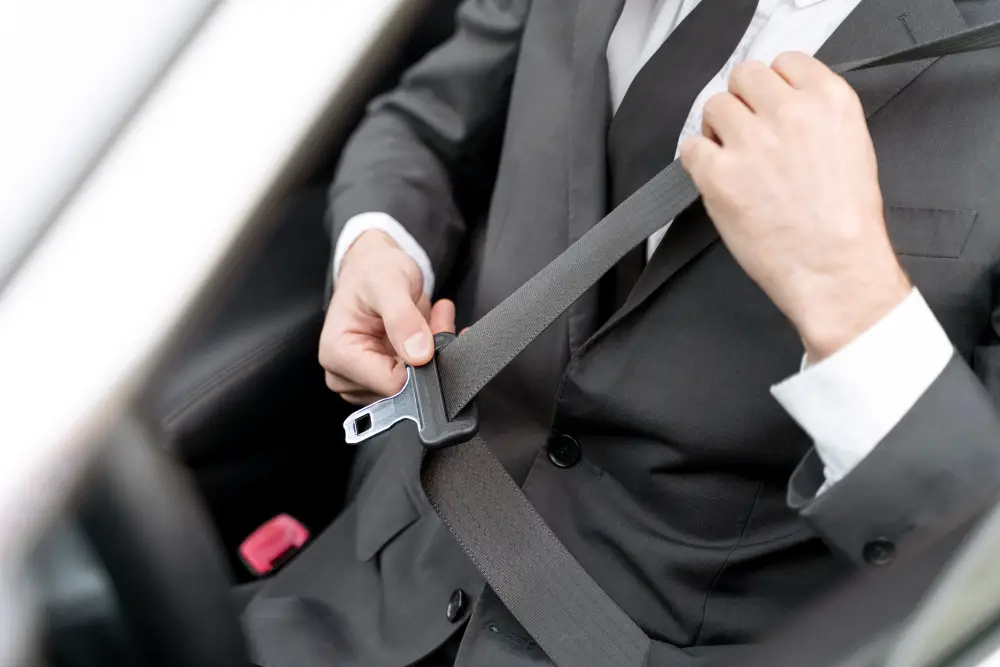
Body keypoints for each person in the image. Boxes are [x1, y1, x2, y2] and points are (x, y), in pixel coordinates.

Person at [244, 1, 1000, 666]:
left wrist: (849, 292)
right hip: (365, 586)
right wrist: (377, 246)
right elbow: (427, 121)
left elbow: (982, 573)